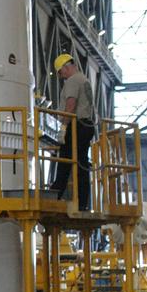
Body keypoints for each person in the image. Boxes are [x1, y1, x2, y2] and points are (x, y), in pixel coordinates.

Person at [48, 54, 97, 211]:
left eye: (61, 72)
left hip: (76, 126)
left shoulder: (73, 81)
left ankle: (54, 196)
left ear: (65, 67)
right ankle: (83, 203)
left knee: (64, 162)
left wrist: (63, 127)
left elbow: (70, 104)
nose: (61, 76)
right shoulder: (84, 79)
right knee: (81, 165)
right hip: (86, 125)